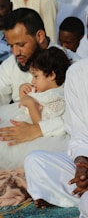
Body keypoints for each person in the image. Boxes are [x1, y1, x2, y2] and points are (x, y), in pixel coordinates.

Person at [0, 8, 78, 175]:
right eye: (11, 46)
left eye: (21, 45)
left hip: (55, 137)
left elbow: (80, 117)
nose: (15, 52)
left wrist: (38, 130)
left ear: (40, 37)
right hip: (17, 127)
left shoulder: (74, 66)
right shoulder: (12, 63)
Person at [0, 47, 71, 175]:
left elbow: (40, 123)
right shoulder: (41, 90)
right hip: (18, 120)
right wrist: (23, 93)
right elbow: (22, 105)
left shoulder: (56, 98)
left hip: (35, 135)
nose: (32, 81)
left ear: (52, 75)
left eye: (36, 76)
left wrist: (31, 104)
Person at [24, 58, 88, 218]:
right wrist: (82, 165)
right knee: (35, 161)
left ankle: (78, 197)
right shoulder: (78, 72)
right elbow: (79, 132)